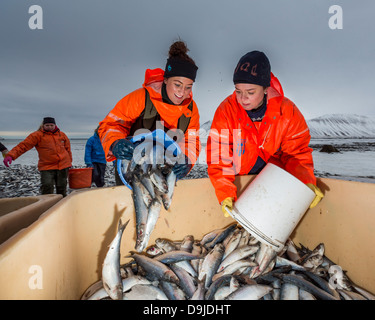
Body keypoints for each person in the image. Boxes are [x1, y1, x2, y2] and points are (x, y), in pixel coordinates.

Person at [206, 51, 324, 217]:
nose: (243, 98)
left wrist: (305, 182)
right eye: (238, 91)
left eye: (250, 92)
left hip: (275, 184)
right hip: (242, 182)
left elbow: (297, 154)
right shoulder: (227, 110)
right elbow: (219, 155)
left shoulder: (287, 111)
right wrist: (225, 192)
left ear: (266, 88)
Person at [98, 40, 201, 179]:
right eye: (178, 85)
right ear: (165, 80)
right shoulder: (142, 97)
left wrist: (187, 160)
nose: (182, 92)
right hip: (131, 165)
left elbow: (192, 141)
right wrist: (115, 143)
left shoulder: (191, 109)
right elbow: (111, 124)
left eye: (188, 87)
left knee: (162, 199)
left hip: (165, 169)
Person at [3, 117, 72, 197]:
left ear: (55, 125)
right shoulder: (37, 135)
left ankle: (62, 204)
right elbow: (24, 145)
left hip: (63, 165)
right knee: (47, 186)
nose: (49, 127)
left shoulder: (62, 135)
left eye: (51, 125)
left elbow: (68, 149)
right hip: (47, 166)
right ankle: (46, 205)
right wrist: (11, 155)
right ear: (43, 125)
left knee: (62, 187)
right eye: (47, 125)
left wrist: (69, 162)